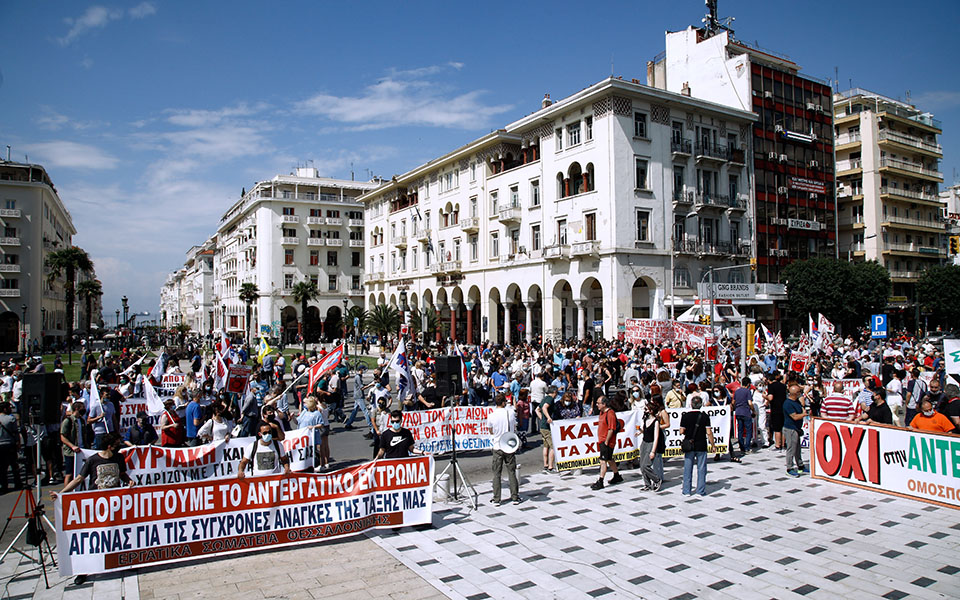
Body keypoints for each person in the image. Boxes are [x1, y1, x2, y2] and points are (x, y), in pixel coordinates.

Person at [51, 431, 134, 586]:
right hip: (96, 505)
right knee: (90, 536)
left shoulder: (119, 458)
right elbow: (78, 479)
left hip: (115, 503)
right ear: (109, 446)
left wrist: (129, 481)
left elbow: (122, 474)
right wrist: (61, 494)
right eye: (116, 444)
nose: (119, 447)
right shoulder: (92, 460)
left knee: (119, 533)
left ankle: (124, 562)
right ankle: (82, 570)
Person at [486, 393, 520, 506]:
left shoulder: (491, 415)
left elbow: (490, 430)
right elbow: (514, 427)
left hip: (497, 445)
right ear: (504, 402)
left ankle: (497, 499)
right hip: (509, 445)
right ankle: (515, 496)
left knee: (496, 474)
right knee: (511, 472)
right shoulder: (509, 413)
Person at [680, 396, 715, 496]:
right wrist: (713, 444)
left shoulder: (685, 416)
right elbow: (709, 432)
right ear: (701, 404)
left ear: (691, 404)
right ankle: (700, 491)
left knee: (687, 468)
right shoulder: (704, 416)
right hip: (701, 444)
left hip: (689, 445)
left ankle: (686, 490)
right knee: (701, 469)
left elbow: (681, 431)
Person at [590, 395, 623, 490]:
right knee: (609, 459)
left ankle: (600, 481)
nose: (597, 405)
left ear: (604, 404)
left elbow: (611, 429)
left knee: (603, 461)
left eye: (598, 403)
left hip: (607, 441)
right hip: (602, 440)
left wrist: (606, 442)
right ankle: (617, 476)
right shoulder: (601, 413)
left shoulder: (610, 414)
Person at [783, 385, 809, 477]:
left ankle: (800, 465)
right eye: (799, 392)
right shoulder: (788, 404)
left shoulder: (796, 401)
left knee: (797, 448)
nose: (800, 393)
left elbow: (801, 408)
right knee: (791, 449)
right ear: (795, 394)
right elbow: (794, 416)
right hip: (790, 429)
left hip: (796, 428)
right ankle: (789, 468)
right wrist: (804, 414)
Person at [638, 398, 664, 491]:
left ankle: (657, 479)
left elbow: (656, 436)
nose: (645, 411)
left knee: (646, 465)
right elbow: (646, 431)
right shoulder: (645, 420)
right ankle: (647, 484)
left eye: (646, 409)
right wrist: (640, 432)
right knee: (642, 465)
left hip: (651, 444)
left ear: (651, 411)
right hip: (644, 443)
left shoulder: (656, 422)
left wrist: (653, 450)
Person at [60, 401, 87, 489]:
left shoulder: (82, 420)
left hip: (81, 450)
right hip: (70, 452)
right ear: (76, 409)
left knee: (81, 473)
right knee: (69, 473)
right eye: (82, 408)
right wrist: (72, 446)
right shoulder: (68, 421)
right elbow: (63, 437)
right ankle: (65, 492)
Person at [0, 402, 21, 493]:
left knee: (2, 467)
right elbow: (16, 432)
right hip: (9, 444)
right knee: (14, 465)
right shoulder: (11, 419)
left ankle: (4, 485)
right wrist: (18, 442)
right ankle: (18, 483)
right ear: (5, 409)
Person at [536, 385, 556, 473]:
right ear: (554, 392)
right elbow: (544, 407)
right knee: (553, 446)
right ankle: (550, 466)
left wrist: (542, 418)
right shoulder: (549, 399)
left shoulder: (544, 398)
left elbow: (537, 410)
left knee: (546, 446)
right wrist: (548, 418)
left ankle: (545, 464)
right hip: (547, 427)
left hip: (542, 426)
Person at [732, 377, 754, 456]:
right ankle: (747, 447)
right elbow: (750, 403)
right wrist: (753, 410)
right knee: (748, 430)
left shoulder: (737, 391)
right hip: (746, 412)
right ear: (748, 384)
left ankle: (741, 446)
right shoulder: (747, 391)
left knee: (740, 430)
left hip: (738, 412)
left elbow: (733, 402)